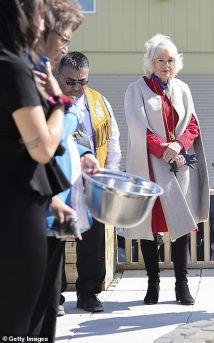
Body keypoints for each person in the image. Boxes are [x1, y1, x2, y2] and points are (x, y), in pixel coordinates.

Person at [123, 34, 209, 305]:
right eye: (160, 59)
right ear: (150, 62)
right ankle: (153, 282)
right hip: (149, 167)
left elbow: (193, 124)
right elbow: (139, 130)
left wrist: (179, 145)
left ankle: (182, 285)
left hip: (179, 167)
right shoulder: (136, 90)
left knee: (181, 226)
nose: (165, 64)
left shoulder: (183, 89)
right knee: (150, 229)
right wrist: (163, 149)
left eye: (170, 60)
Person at [0, 0, 68, 335]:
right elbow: (41, 147)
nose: (42, 25)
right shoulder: (11, 67)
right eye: (40, 15)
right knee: (18, 324)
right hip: (16, 211)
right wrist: (59, 104)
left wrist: (53, 198)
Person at [26, 0, 88, 339]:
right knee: (31, 312)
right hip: (30, 208)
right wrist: (66, 109)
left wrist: (85, 151)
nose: (66, 46)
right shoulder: (21, 71)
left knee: (46, 309)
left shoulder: (40, 72)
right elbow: (42, 144)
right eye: (63, 36)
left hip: (52, 204)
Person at [56, 51, 122, 313]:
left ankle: (89, 293)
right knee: (56, 240)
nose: (76, 88)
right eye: (70, 81)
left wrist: (112, 176)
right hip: (59, 180)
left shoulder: (99, 102)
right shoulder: (50, 102)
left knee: (93, 241)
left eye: (82, 81)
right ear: (59, 75)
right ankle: (54, 296)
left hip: (93, 182)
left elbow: (113, 140)